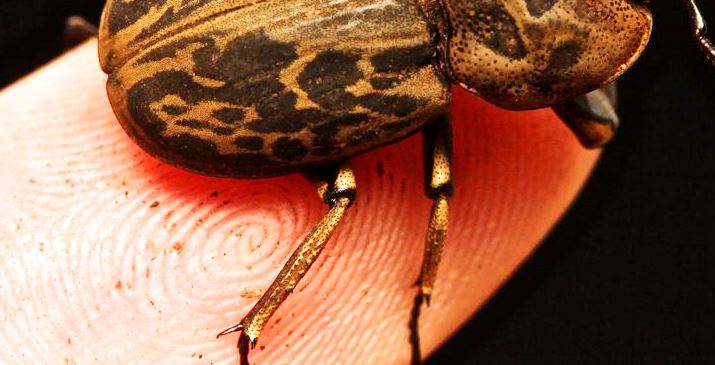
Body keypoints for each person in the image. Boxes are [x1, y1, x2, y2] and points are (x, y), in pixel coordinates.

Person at [0, 40, 597, 363]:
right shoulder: (428, 68)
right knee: (351, 196)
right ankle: (256, 328)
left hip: (150, 23)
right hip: (181, 104)